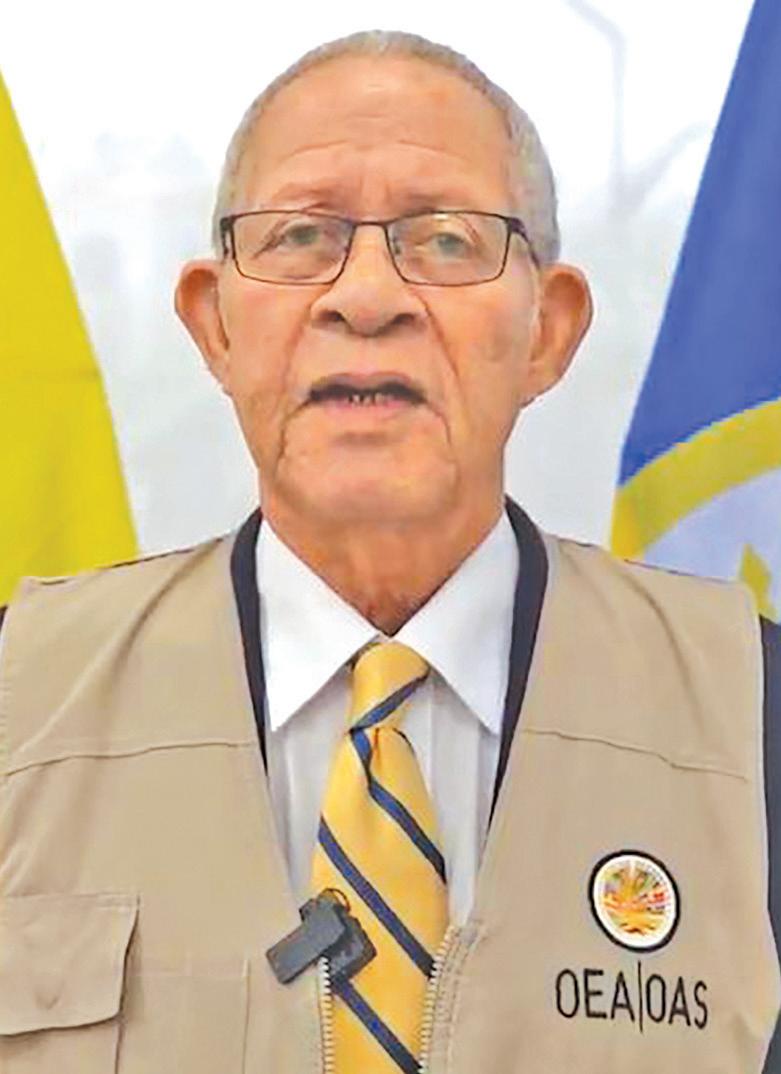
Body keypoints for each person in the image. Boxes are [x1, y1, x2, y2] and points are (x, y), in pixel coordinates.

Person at [0, 28, 779, 1074]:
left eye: (447, 240)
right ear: (213, 326)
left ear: (548, 330)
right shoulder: (20, 698)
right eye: (298, 237)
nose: (365, 298)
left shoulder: (751, 715)